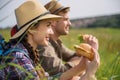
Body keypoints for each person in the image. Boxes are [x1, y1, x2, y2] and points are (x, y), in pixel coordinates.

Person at [0, 0, 62, 79]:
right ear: (32, 29)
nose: (52, 32)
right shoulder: (19, 59)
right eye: (48, 25)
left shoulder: (28, 53)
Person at [38, 0, 100, 80]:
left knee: (76, 77)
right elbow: (60, 73)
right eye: (66, 19)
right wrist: (89, 55)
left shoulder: (55, 41)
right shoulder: (43, 44)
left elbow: (74, 55)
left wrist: (86, 51)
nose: (69, 23)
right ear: (53, 21)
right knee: (75, 77)